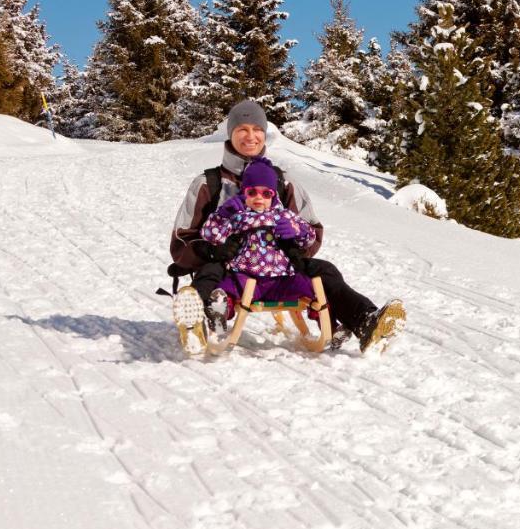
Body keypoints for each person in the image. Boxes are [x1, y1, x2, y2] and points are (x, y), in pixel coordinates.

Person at [170, 99, 404, 351]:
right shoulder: (208, 183)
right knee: (212, 272)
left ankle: (365, 321)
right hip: (230, 267)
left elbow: (312, 231)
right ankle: (198, 322)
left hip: (279, 271)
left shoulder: (285, 182)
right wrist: (212, 250)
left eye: (257, 129)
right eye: (242, 130)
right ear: (230, 133)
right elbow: (182, 240)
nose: (251, 136)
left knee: (325, 272)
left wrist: (296, 240)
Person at [200, 156, 317, 307]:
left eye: (266, 193)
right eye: (252, 192)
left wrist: (297, 230)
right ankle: (221, 310)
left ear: (273, 195)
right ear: (244, 192)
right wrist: (222, 215)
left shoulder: (283, 215)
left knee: (308, 285)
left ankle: (320, 313)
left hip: (281, 278)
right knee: (226, 287)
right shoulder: (238, 215)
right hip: (245, 277)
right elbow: (210, 235)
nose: (259, 198)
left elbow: (309, 238)